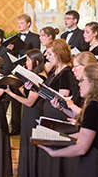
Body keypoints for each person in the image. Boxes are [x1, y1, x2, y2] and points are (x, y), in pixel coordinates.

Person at [39, 63, 98, 177]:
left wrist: (54, 152)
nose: (79, 83)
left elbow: (81, 147)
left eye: (82, 80)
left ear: (93, 82)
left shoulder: (94, 106)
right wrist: (55, 137)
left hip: (96, 167)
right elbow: (86, 133)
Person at [4, 49, 47, 177]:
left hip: (35, 113)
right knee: (27, 143)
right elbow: (29, 95)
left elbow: (29, 102)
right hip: (30, 113)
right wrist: (20, 86)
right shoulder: (35, 76)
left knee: (32, 145)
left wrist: (11, 93)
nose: (26, 63)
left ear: (36, 62)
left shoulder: (40, 77)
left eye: (28, 60)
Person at [38, 38, 76, 177]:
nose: (46, 57)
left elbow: (63, 96)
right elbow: (46, 94)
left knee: (58, 150)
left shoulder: (66, 72)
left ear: (58, 54)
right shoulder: (54, 71)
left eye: (49, 54)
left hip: (58, 114)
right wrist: (36, 89)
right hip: (49, 111)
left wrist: (50, 95)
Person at [7, 14, 41, 135]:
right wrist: (10, 50)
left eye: (21, 22)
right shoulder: (15, 37)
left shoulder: (35, 37)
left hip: (30, 70)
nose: (19, 25)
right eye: (18, 23)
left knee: (29, 95)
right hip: (17, 69)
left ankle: (28, 125)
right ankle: (16, 127)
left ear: (28, 23)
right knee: (16, 98)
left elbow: (36, 53)